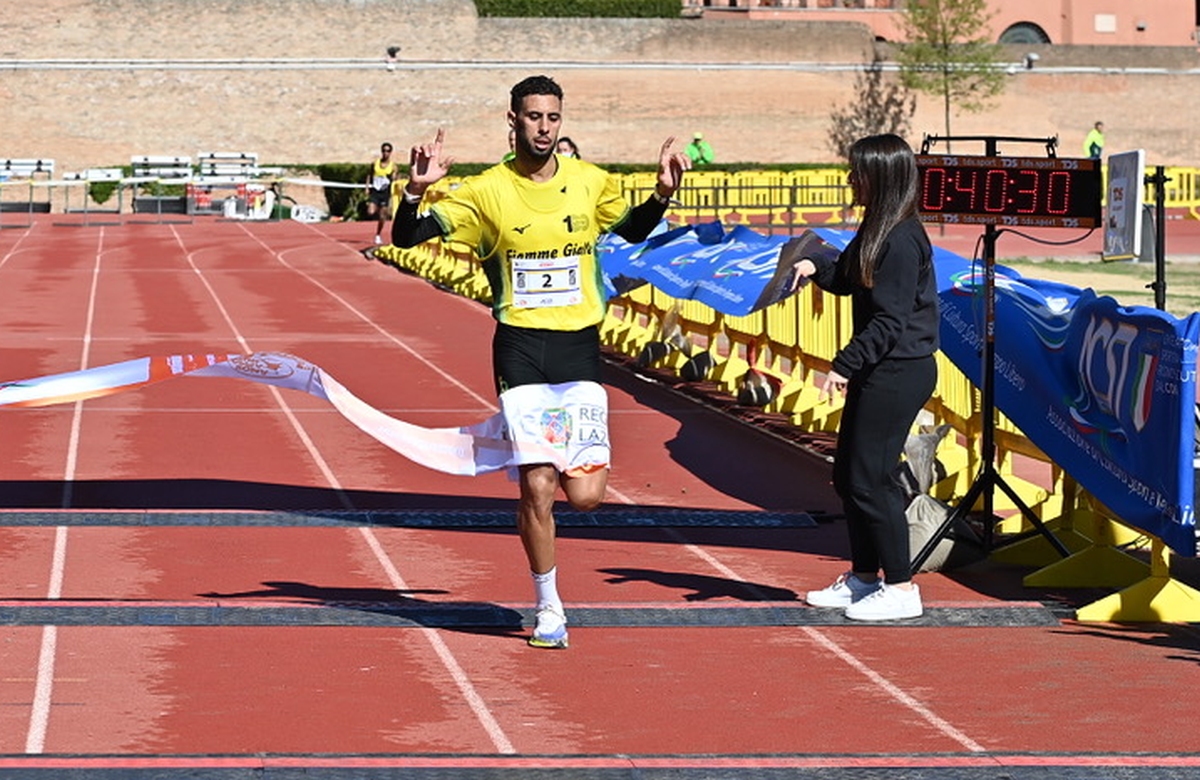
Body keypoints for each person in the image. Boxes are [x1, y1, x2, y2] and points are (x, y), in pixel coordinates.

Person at [393, 74, 690, 648]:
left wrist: (661, 195)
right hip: (521, 348)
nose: (544, 128)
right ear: (513, 121)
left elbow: (630, 230)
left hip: (578, 348)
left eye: (553, 117)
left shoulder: (589, 181)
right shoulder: (486, 190)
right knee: (538, 485)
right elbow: (409, 237)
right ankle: (549, 606)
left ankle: (544, 477)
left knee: (586, 495)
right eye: (533, 117)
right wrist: (414, 192)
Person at [787, 133, 939, 621]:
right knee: (849, 477)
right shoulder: (878, 226)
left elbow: (890, 321)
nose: (851, 179)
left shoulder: (901, 239)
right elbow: (847, 277)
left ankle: (901, 588)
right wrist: (813, 265)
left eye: (858, 172)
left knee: (873, 479)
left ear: (882, 177)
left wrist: (843, 364)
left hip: (899, 371)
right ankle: (863, 578)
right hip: (880, 368)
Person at [365, 142, 399, 245]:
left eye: (387, 151)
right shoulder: (375, 163)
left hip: (385, 192)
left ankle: (378, 234)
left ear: (390, 152)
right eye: (384, 151)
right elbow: (369, 175)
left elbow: (395, 178)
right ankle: (378, 208)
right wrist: (367, 187)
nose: (385, 153)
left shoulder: (393, 166)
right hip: (375, 191)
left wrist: (393, 177)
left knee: (382, 216)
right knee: (370, 211)